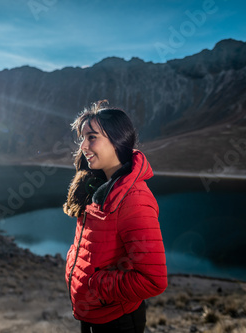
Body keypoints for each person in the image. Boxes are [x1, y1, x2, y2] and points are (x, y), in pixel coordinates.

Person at [63, 100, 167, 333]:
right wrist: (74, 264)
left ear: (117, 140)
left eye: (92, 137)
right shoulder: (95, 186)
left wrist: (95, 284)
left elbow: (154, 280)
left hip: (117, 322)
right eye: (82, 138)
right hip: (92, 314)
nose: (84, 146)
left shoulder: (134, 199)